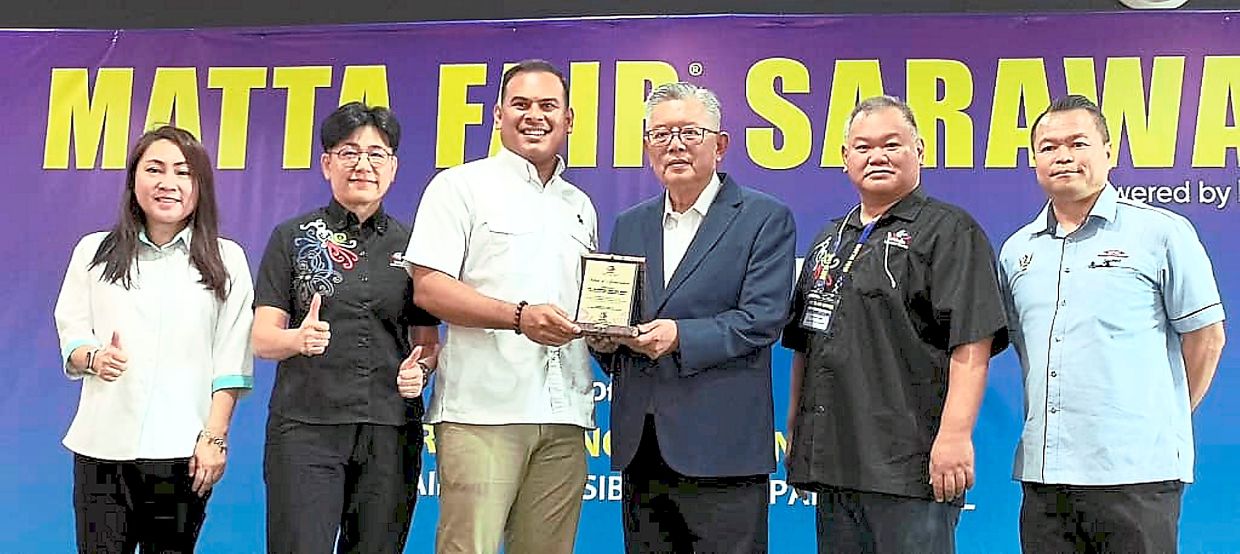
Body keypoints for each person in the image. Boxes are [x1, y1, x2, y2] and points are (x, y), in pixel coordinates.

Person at [999, 94, 1226, 553]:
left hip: (1137, 475)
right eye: (1048, 147)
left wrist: (1163, 419)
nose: (1063, 156)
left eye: (1077, 143)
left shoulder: (1162, 234)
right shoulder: (1016, 252)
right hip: (1045, 478)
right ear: (1034, 161)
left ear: (1109, 151)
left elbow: (1206, 339)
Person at [782, 95, 1008, 553]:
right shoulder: (830, 239)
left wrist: (955, 436)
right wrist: (798, 434)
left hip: (909, 465)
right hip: (835, 464)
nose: (877, 156)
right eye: (863, 146)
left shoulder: (949, 231)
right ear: (845, 158)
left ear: (919, 150)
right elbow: (805, 344)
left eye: (892, 144)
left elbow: (972, 341)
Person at [587, 81, 796, 554]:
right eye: (661, 134)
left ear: (720, 145)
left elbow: (762, 319)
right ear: (646, 147)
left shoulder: (765, 217)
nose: (674, 144)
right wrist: (601, 340)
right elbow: (617, 314)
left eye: (689, 132)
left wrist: (679, 336)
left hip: (723, 450)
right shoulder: (630, 224)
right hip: (642, 447)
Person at [405, 59, 597, 553]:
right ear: (497, 115)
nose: (535, 116)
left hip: (565, 412)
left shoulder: (580, 205)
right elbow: (429, 288)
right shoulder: (459, 187)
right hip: (482, 412)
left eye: (548, 106)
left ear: (570, 119)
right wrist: (518, 317)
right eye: (521, 104)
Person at [53, 125, 254, 553]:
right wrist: (92, 357)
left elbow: (231, 358)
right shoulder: (94, 252)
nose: (168, 183)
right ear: (134, 181)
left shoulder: (227, 260)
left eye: (183, 172)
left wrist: (215, 437)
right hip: (103, 445)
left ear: (200, 185)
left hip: (183, 450)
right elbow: (71, 326)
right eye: (155, 169)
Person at [252, 102, 440, 553]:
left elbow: (427, 344)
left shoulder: (416, 245)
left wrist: (423, 372)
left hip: (390, 429)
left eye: (377, 154)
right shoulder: (292, 237)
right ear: (327, 163)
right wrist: (297, 339)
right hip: (307, 428)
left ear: (393, 167)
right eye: (349, 152)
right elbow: (262, 338)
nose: (363, 165)